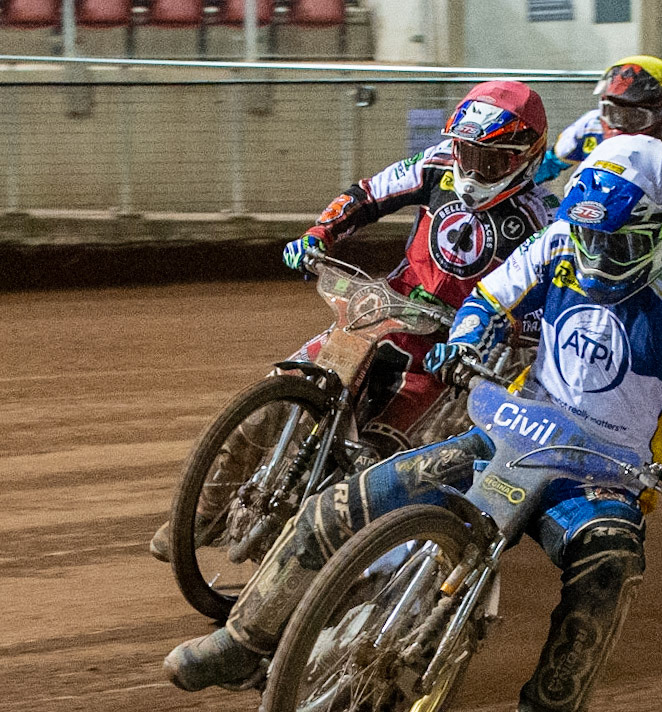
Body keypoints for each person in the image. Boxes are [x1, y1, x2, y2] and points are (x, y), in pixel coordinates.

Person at [162, 134, 662, 712]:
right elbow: (488, 299)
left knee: (610, 562)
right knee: (340, 504)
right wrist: (467, 340)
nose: (594, 254)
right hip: (510, 428)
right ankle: (242, 641)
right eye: (589, 237)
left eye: (615, 242)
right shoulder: (561, 240)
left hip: (600, 475)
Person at [149, 80, 554, 562]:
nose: (474, 168)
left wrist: (503, 330)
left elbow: (548, 307)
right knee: (285, 385)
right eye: (467, 152)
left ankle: (323, 567)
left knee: (383, 455)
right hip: (387, 308)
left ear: (525, 157)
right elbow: (366, 195)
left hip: (449, 349)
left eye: (492, 160)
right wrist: (319, 235)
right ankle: (201, 514)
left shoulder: (541, 219)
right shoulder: (435, 166)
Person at [534, 55, 662, 254]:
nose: (619, 126)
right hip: (584, 215)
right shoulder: (589, 127)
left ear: (660, 117)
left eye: (634, 118)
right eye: (612, 113)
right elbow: (548, 164)